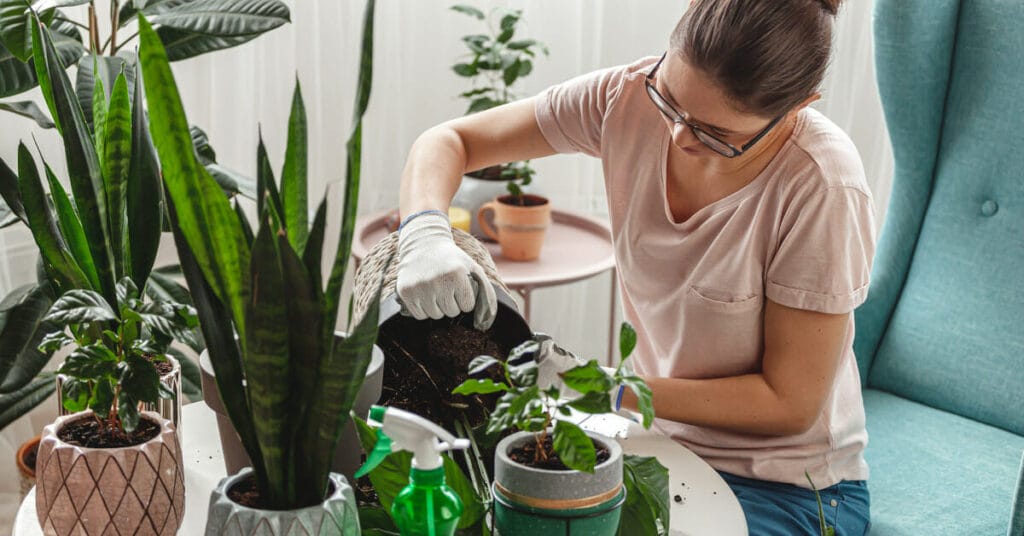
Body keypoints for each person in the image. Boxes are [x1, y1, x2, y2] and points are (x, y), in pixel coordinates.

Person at [394, 0, 873, 533]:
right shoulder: (623, 98)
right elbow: (449, 141)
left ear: (799, 106)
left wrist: (602, 386)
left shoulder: (822, 185)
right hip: (654, 445)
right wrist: (424, 230)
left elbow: (789, 403)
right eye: (668, 101)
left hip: (788, 488)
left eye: (719, 136)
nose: (678, 137)